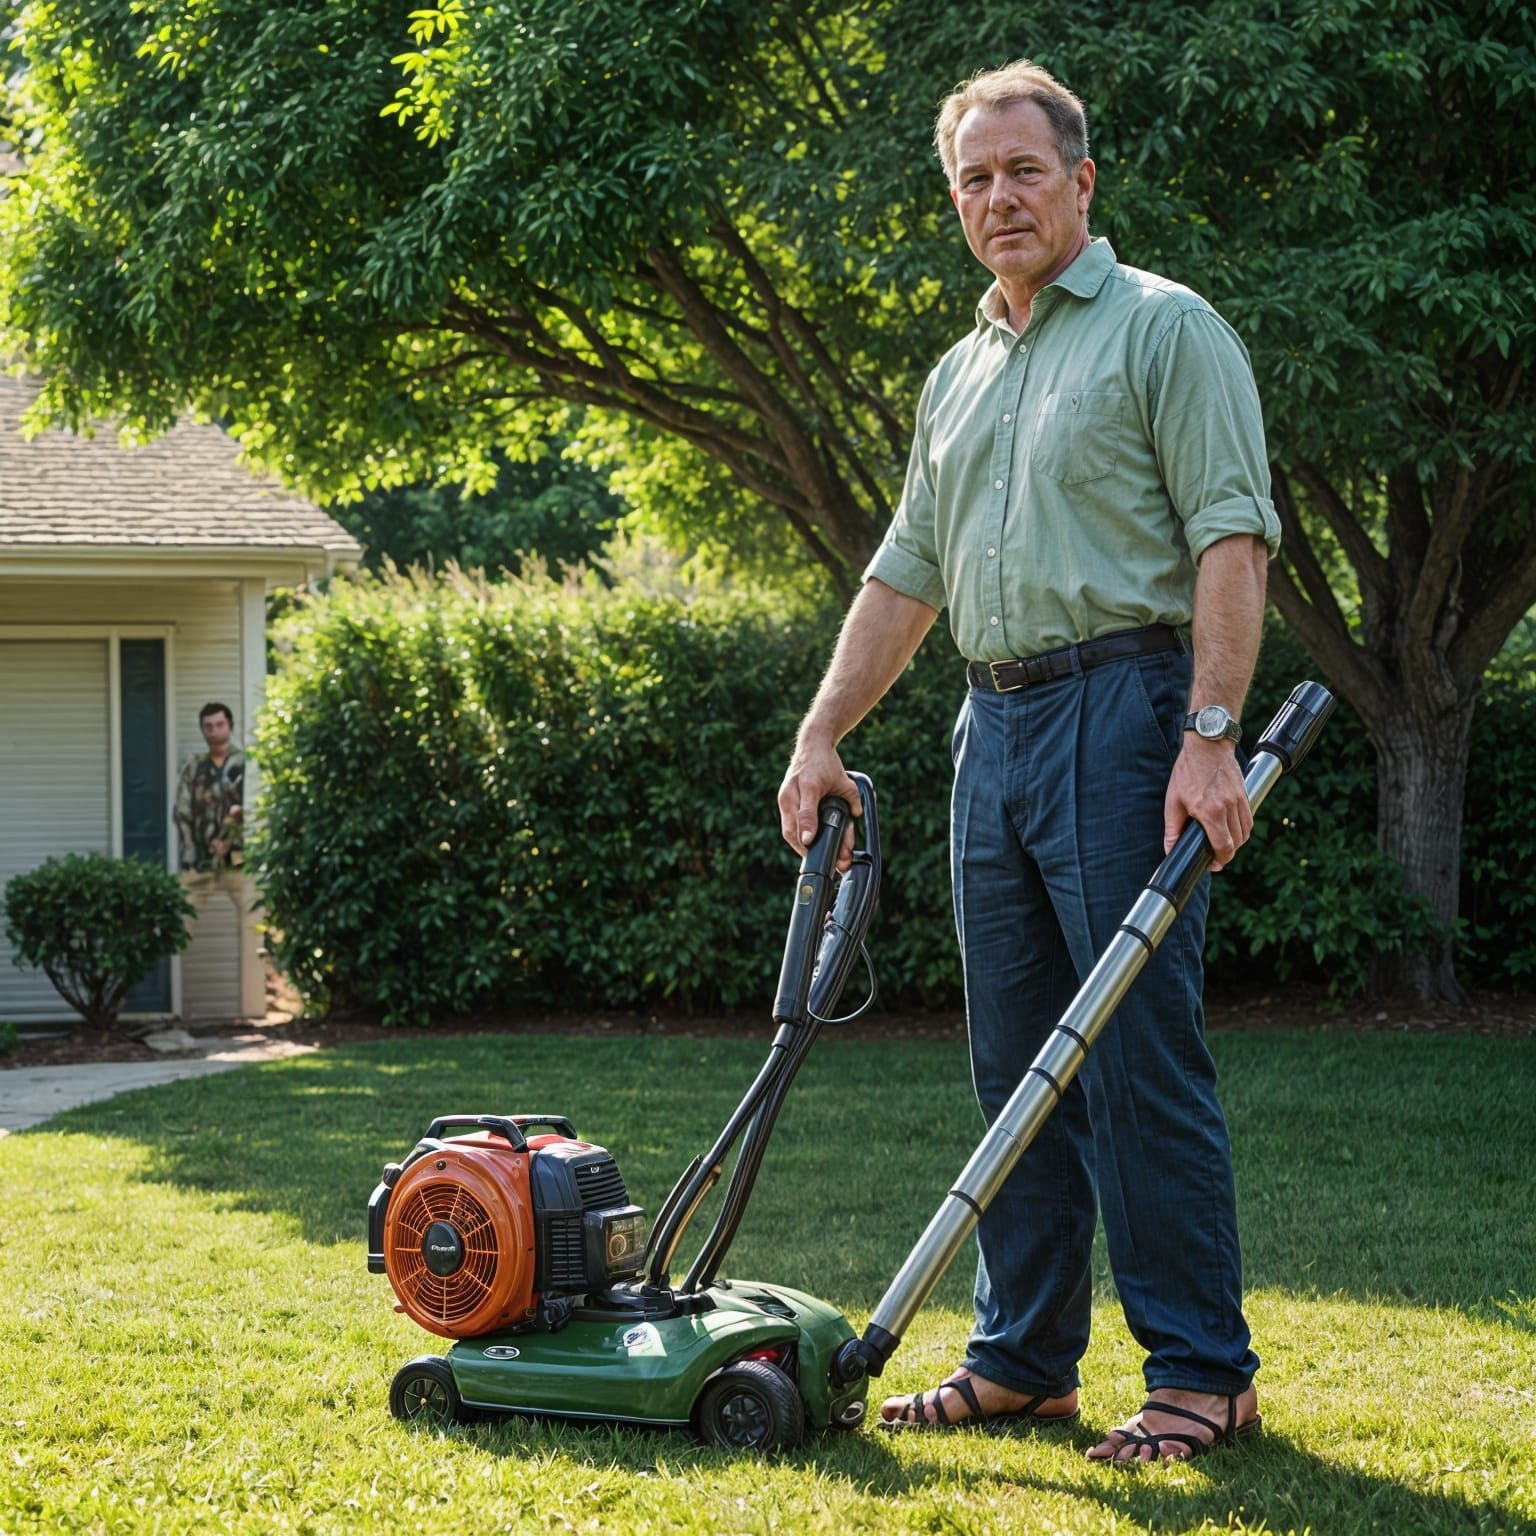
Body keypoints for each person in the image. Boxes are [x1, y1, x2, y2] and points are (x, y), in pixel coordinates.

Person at [777, 61, 1279, 1464]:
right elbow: (904, 578)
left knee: (1131, 1057)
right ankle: (1023, 1360)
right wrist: (823, 733)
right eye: (974, 180)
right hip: (986, 728)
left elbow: (1229, 539)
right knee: (1013, 1064)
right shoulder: (961, 371)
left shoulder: (1162, 330)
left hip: (1125, 715)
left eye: (1024, 171)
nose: (1000, 198)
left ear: (1081, 183)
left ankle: (1201, 1371)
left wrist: (1209, 732)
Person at [175, 701, 253, 969]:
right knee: (178, 925)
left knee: (255, 924)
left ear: (230, 726)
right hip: (200, 860)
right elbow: (181, 813)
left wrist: (231, 838)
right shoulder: (194, 767)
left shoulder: (246, 765)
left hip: (238, 860)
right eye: (208, 727)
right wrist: (192, 850)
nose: (214, 731)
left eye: (219, 725)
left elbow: (256, 809)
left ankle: (269, 981)